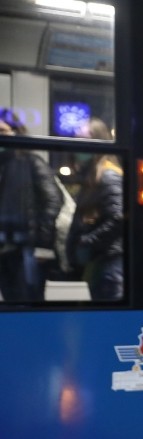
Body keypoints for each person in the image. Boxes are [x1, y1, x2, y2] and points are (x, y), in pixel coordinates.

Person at [0, 109, 63, 301]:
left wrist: (42, 245)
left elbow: (53, 201)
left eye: (2, 132)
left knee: (29, 301)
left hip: (29, 247)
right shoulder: (2, 165)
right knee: (11, 302)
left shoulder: (31, 162)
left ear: (16, 132)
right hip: (5, 247)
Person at [67, 117, 124, 300]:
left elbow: (118, 217)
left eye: (83, 139)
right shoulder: (92, 177)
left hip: (110, 260)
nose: (78, 146)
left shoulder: (108, 175)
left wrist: (87, 241)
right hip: (100, 260)